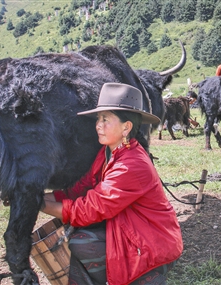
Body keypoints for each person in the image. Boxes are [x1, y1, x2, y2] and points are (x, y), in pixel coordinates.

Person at [41, 82, 183, 285]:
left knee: (81, 243)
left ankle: (145, 275)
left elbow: (91, 208)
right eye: (98, 118)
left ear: (126, 127)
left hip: (151, 240)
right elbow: (80, 189)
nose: (98, 124)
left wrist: (40, 204)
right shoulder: (108, 152)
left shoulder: (130, 164)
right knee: (80, 241)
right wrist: (39, 196)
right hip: (131, 228)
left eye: (106, 119)